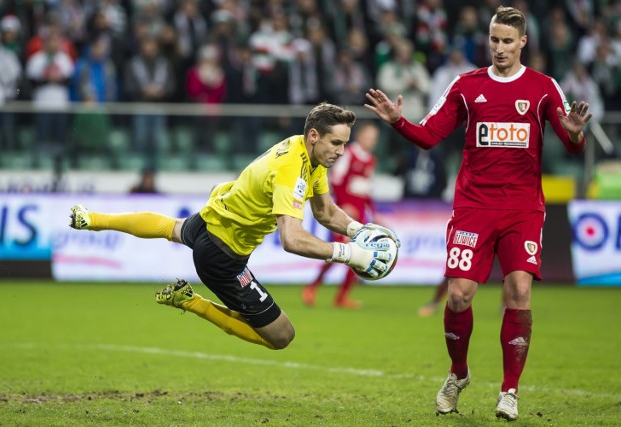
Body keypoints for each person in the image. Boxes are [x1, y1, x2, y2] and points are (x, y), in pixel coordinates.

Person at [365, 6, 592, 421]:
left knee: (519, 292)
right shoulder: (466, 86)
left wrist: (575, 135)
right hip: (473, 206)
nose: (500, 48)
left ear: (523, 42)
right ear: (487, 40)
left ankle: (510, 391)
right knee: (458, 295)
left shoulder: (544, 88)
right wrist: (399, 122)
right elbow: (430, 136)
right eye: (494, 40)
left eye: (508, 41)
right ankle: (458, 373)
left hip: (523, 208)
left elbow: (569, 141)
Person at [69, 103, 398, 351]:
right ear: (315, 136)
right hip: (223, 256)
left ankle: (92, 219)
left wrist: (357, 229)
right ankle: (190, 301)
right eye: (336, 143)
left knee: (170, 227)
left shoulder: (306, 151)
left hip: (210, 220)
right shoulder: (291, 170)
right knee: (281, 335)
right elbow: (292, 239)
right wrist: (350, 253)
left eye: (344, 144)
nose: (341, 152)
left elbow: (325, 211)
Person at [302, 121, 380, 309]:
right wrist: (343, 205)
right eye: (368, 137)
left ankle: (342, 296)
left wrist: (373, 214)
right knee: (339, 254)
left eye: (374, 139)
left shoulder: (370, 160)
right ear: (360, 136)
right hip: (344, 215)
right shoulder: (348, 154)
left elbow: (366, 192)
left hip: (360, 215)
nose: (371, 141)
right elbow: (335, 181)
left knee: (359, 255)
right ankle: (312, 287)